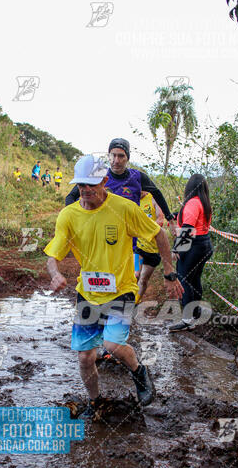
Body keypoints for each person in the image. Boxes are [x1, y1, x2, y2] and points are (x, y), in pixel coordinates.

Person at [44, 154, 183, 418]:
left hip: (121, 289)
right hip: (88, 293)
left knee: (112, 345)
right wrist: (55, 274)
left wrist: (168, 271)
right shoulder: (69, 215)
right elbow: (53, 255)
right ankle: (96, 402)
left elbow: (158, 234)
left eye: (91, 184)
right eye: (81, 185)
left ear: (104, 181)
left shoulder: (124, 209)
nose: (85, 190)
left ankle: (139, 372)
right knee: (85, 357)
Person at [169, 174, 213, 332]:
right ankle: (194, 313)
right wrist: (172, 215)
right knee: (194, 280)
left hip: (193, 245)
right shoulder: (203, 202)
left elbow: (187, 228)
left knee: (184, 280)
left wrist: (176, 249)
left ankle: (187, 320)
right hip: (204, 244)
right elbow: (189, 220)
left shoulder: (193, 203)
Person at [135, 191, 164, 300]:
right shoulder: (133, 199)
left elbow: (160, 219)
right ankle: (128, 302)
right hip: (138, 247)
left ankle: (136, 302)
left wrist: (147, 230)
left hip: (153, 249)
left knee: (143, 280)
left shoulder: (153, 198)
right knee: (135, 275)